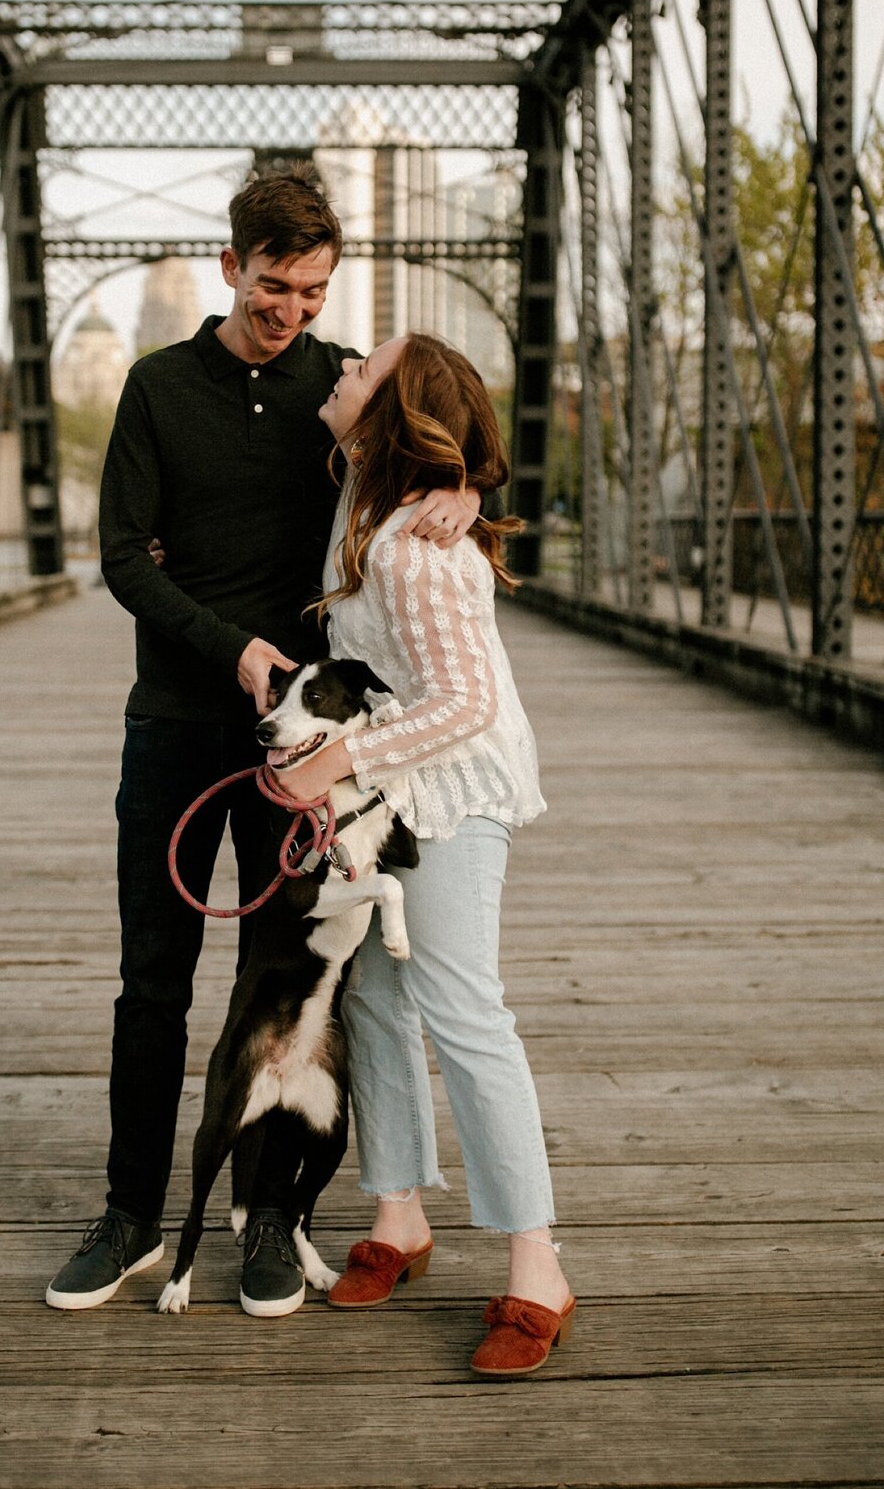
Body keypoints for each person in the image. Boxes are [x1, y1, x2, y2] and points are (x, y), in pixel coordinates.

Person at [46, 168, 480, 1318]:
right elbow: (124, 559)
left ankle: (273, 1219)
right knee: (154, 983)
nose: (293, 308)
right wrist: (237, 650)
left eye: (315, 289)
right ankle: (132, 1210)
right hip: (178, 726)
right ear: (232, 262)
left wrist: (468, 493)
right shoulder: (155, 387)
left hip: (304, 757)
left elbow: (441, 447)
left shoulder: (338, 390)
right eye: (277, 283)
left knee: (280, 982)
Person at [271, 331, 574, 1377]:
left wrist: (334, 759)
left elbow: (469, 699)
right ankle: (398, 1215)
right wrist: (464, 480)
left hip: (452, 791)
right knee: (374, 1002)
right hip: (387, 791)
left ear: (389, 413)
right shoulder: (369, 506)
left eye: (361, 370)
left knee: (462, 1006)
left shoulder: (413, 545)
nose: (340, 369)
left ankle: (538, 1267)